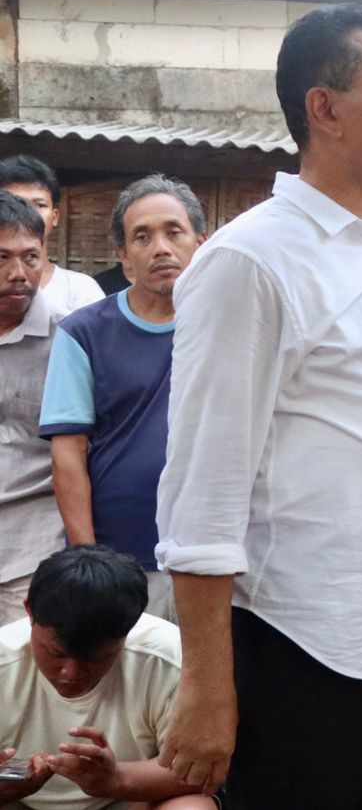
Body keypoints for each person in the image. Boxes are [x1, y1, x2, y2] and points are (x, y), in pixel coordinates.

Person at [154, 4, 362, 807]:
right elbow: (203, 486)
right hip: (307, 641)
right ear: (324, 109)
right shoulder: (252, 260)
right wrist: (207, 683)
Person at [37, 176, 208, 624]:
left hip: (217, 551)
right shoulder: (84, 332)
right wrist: (90, 559)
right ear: (125, 255)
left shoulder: (229, 323)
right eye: (142, 237)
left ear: (201, 243)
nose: (160, 248)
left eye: (174, 232)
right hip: (124, 559)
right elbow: (67, 453)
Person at [0, 545, 213, 810]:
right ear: (29, 613)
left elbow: (202, 768)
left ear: (129, 630)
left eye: (95, 658)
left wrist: (117, 780)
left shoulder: (166, 658)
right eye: (56, 653)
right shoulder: (4, 660)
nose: (71, 673)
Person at [0, 192, 66, 626]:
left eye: (30, 257)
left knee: (21, 661)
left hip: (33, 549)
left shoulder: (69, 338)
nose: (18, 273)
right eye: (2, 258)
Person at [0, 155, 103, 316]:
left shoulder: (81, 290)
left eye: (39, 205)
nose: (28, 213)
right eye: (16, 203)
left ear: (55, 216)